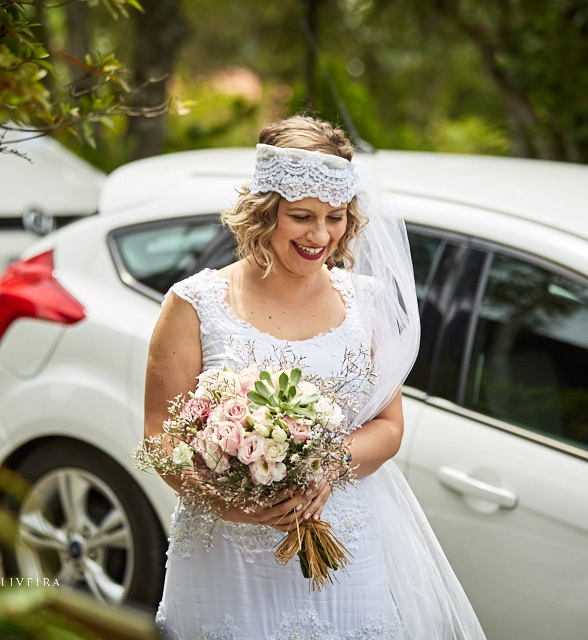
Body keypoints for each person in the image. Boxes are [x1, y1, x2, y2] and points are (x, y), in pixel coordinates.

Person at [143, 115, 485, 639]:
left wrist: (326, 466)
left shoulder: (367, 303)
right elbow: (160, 440)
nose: (320, 235)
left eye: (336, 217)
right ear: (263, 213)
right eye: (301, 216)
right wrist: (235, 506)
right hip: (225, 554)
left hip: (345, 543)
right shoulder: (194, 304)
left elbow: (389, 428)